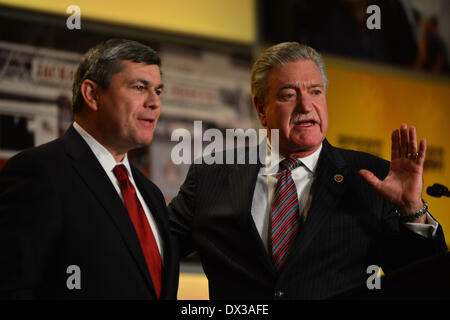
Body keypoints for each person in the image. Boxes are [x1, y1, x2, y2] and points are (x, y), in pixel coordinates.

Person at [168, 42, 447, 299]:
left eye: (315, 92)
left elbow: (426, 282)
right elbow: (153, 250)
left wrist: (413, 211)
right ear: (261, 108)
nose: (306, 106)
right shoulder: (212, 175)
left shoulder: (371, 176)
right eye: (289, 95)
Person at [0, 39, 179, 299]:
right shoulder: (39, 171)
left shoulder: (150, 194)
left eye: (158, 91)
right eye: (139, 87)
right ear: (92, 94)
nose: (154, 103)